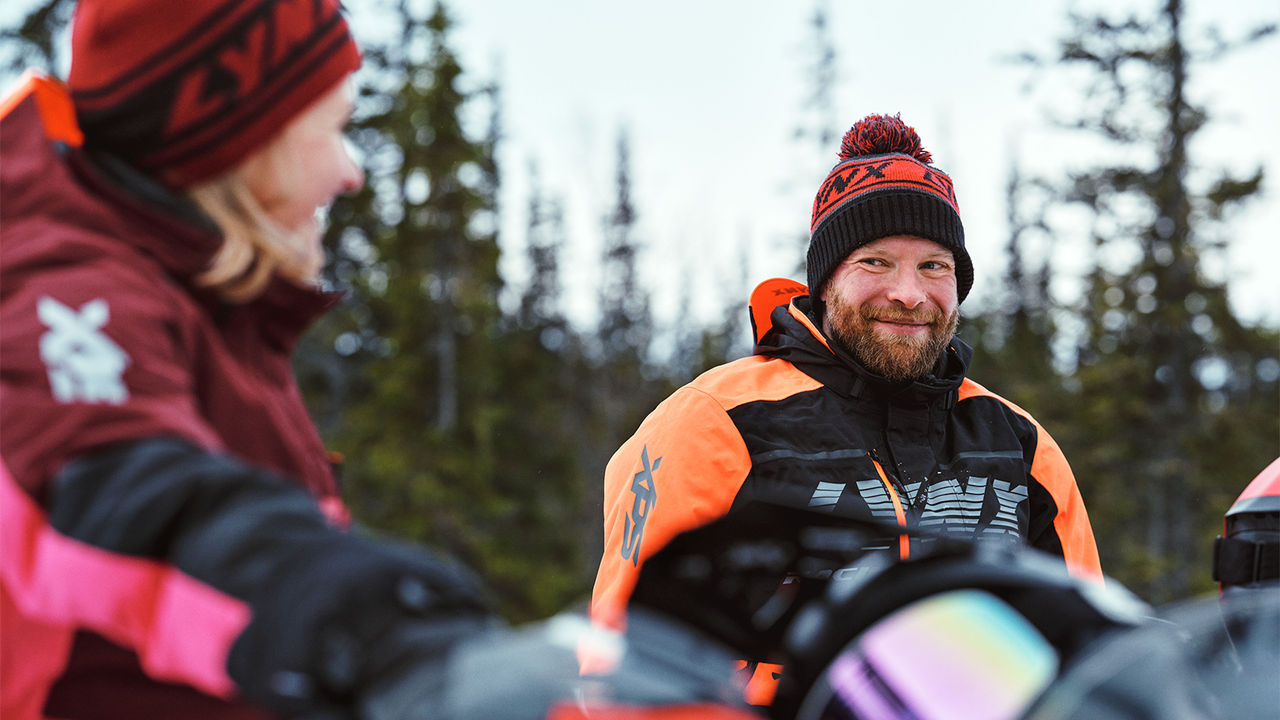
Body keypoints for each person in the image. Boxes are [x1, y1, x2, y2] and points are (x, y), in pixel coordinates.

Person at [0, 1, 495, 718]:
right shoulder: (59, 286)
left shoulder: (211, 307)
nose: (349, 172)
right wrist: (374, 627)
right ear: (237, 143)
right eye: (333, 130)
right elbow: (117, 487)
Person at [591, 113, 1103, 704]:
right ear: (827, 279)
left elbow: (1088, 656)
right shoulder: (714, 424)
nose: (909, 294)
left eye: (934, 266)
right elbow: (626, 662)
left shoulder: (1018, 445)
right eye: (875, 262)